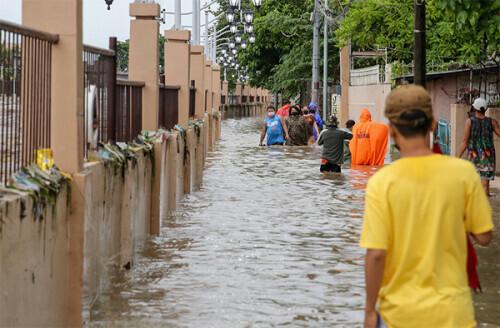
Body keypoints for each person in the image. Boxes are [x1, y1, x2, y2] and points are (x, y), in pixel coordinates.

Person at [360, 85, 493, 328]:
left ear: (390, 131)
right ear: (432, 125)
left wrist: (369, 311)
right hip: (454, 315)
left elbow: (376, 254)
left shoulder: (381, 183)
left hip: (399, 315)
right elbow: (484, 236)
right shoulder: (463, 174)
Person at [458, 97, 500, 196]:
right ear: (485, 109)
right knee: (485, 185)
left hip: (474, 156)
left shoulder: (469, 122)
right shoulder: (492, 122)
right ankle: (486, 207)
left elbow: (465, 141)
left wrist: (457, 157)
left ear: (474, 108)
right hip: (488, 157)